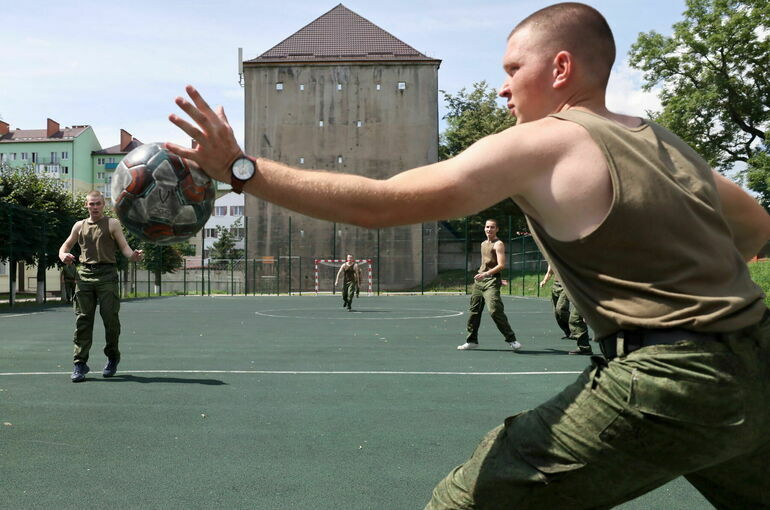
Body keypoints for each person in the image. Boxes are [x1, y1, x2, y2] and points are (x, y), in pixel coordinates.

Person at [165, 2, 770, 507]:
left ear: (560, 68)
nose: (503, 87)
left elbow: (382, 203)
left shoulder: (542, 141)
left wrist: (240, 170)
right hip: (757, 361)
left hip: (670, 379)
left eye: (513, 68)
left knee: (463, 502)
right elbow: (754, 228)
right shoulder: (664, 142)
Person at [59, 191, 143, 383]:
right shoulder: (79, 226)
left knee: (110, 320)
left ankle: (112, 357)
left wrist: (133, 256)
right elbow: (64, 247)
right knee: (83, 321)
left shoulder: (112, 224)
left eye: (98, 203)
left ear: (103, 205)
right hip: (84, 276)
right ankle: (80, 363)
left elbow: (124, 247)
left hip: (107, 276)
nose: (95, 207)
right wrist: (63, 255)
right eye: (91, 204)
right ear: (86, 205)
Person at [457, 219, 521, 351]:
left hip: (491, 281)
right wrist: (483, 274)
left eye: (492, 227)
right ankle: (472, 341)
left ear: (497, 229)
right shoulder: (483, 244)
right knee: (474, 312)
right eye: (487, 227)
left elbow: (501, 265)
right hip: (479, 282)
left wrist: (491, 276)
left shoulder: (499, 244)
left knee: (495, 310)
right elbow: (486, 263)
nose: (489, 229)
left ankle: (512, 340)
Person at [540, 264, 592, 355]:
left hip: (570, 285)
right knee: (557, 313)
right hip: (558, 285)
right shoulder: (555, 254)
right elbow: (550, 269)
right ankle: (571, 333)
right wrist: (545, 280)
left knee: (565, 312)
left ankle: (583, 344)